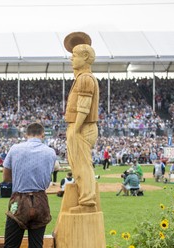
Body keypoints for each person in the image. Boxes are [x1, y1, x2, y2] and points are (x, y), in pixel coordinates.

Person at [63, 32, 99, 213]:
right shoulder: (82, 77)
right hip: (79, 127)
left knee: (83, 165)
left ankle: (87, 201)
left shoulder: (85, 79)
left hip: (82, 127)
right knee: (78, 165)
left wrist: (75, 130)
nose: (71, 59)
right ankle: (84, 198)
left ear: (85, 57)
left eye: (74, 56)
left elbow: (83, 108)